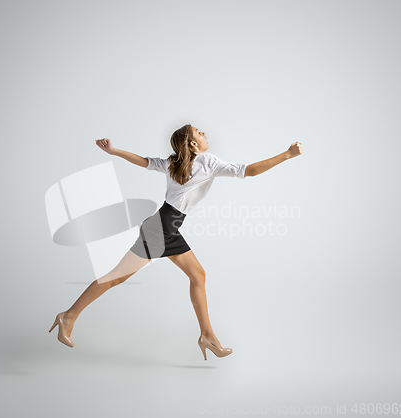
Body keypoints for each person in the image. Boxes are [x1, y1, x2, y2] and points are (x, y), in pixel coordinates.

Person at [49, 124, 303, 360]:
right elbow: (249, 171)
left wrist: (114, 150)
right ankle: (68, 316)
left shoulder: (178, 162)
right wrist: (287, 155)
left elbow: (146, 162)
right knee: (117, 276)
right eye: (199, 133)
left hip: (166, 227)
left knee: (198, 275)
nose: (204, 134)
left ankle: (207, 336)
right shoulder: (204, 161)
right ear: (193, 145)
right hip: (161, 229)